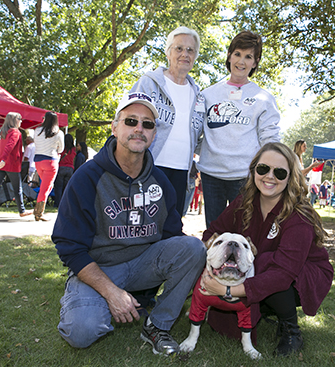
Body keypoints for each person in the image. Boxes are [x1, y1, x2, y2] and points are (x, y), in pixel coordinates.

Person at [52, 92, 206, 355]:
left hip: (142, 265)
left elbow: (171, 237)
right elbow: (69, 246)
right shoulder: (87, 177)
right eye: (131, 121)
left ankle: (157, 325)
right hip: (99, 267)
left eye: (147, 124)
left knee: (193, 248)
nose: (139, 129)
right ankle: (88, 299)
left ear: (154, 133)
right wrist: (111, 292)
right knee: (82, 331)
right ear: (114, 127)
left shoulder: (160, 181)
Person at [199, 142, 333, 357]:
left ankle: (291, 330)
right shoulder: (243, 202)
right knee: (222, 325)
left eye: (280, 172)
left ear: (290, 177)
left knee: (263, 262)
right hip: (258, 270)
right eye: (263, 169)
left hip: (302, 276)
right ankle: (266, 308)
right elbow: (212, 234)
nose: (270, 176)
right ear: (253, 170)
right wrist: (215, 262)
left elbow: (283, 273)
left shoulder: (299, 216)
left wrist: (227, 291)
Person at [197, 30, 281, 228]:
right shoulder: (207, 94)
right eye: (237, 54)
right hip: (211, 176)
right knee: (215, 232)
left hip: (245, 178)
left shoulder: (263, 98)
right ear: (229, 56)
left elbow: (270, 141)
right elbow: (196, 133)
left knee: (245, 233)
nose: (241, 61)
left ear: (255, 62)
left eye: (248, 56)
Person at [128, 26, 204, 217]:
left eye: (190, 50)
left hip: (182, 172)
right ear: (168, 52)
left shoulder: (199, 95)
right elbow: (128, 120)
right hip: (150, 167)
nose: (184, 54)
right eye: (179, 48)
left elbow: (201, 136)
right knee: (143, 222)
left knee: (172, 226)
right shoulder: (149, 83)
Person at [0, 113, 33, 219]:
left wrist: (2, 160)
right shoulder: (15, 132)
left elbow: (5, 147)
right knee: (17, 188)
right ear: (14, 120)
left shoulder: (4, 132)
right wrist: (4, 159)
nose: (21, 121)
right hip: (11, 164)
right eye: (19, 119)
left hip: (1, 164)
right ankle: (22, 211)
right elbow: (10, 146)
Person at [33, 111, 64, 221]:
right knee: (46, 188)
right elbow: (61, 149)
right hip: (51, 161)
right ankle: (39, 212)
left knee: (47, 186)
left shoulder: (37, 131)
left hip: (38, 161)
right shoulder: (58, 133)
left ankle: (38, 209)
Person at [54, 134, 76, 208]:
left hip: (61, 167)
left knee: (58, 187)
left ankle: (57, 203)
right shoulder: (73, 149)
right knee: (66, 187)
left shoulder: (62, 148)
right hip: (70, 168)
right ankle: (65, 203)